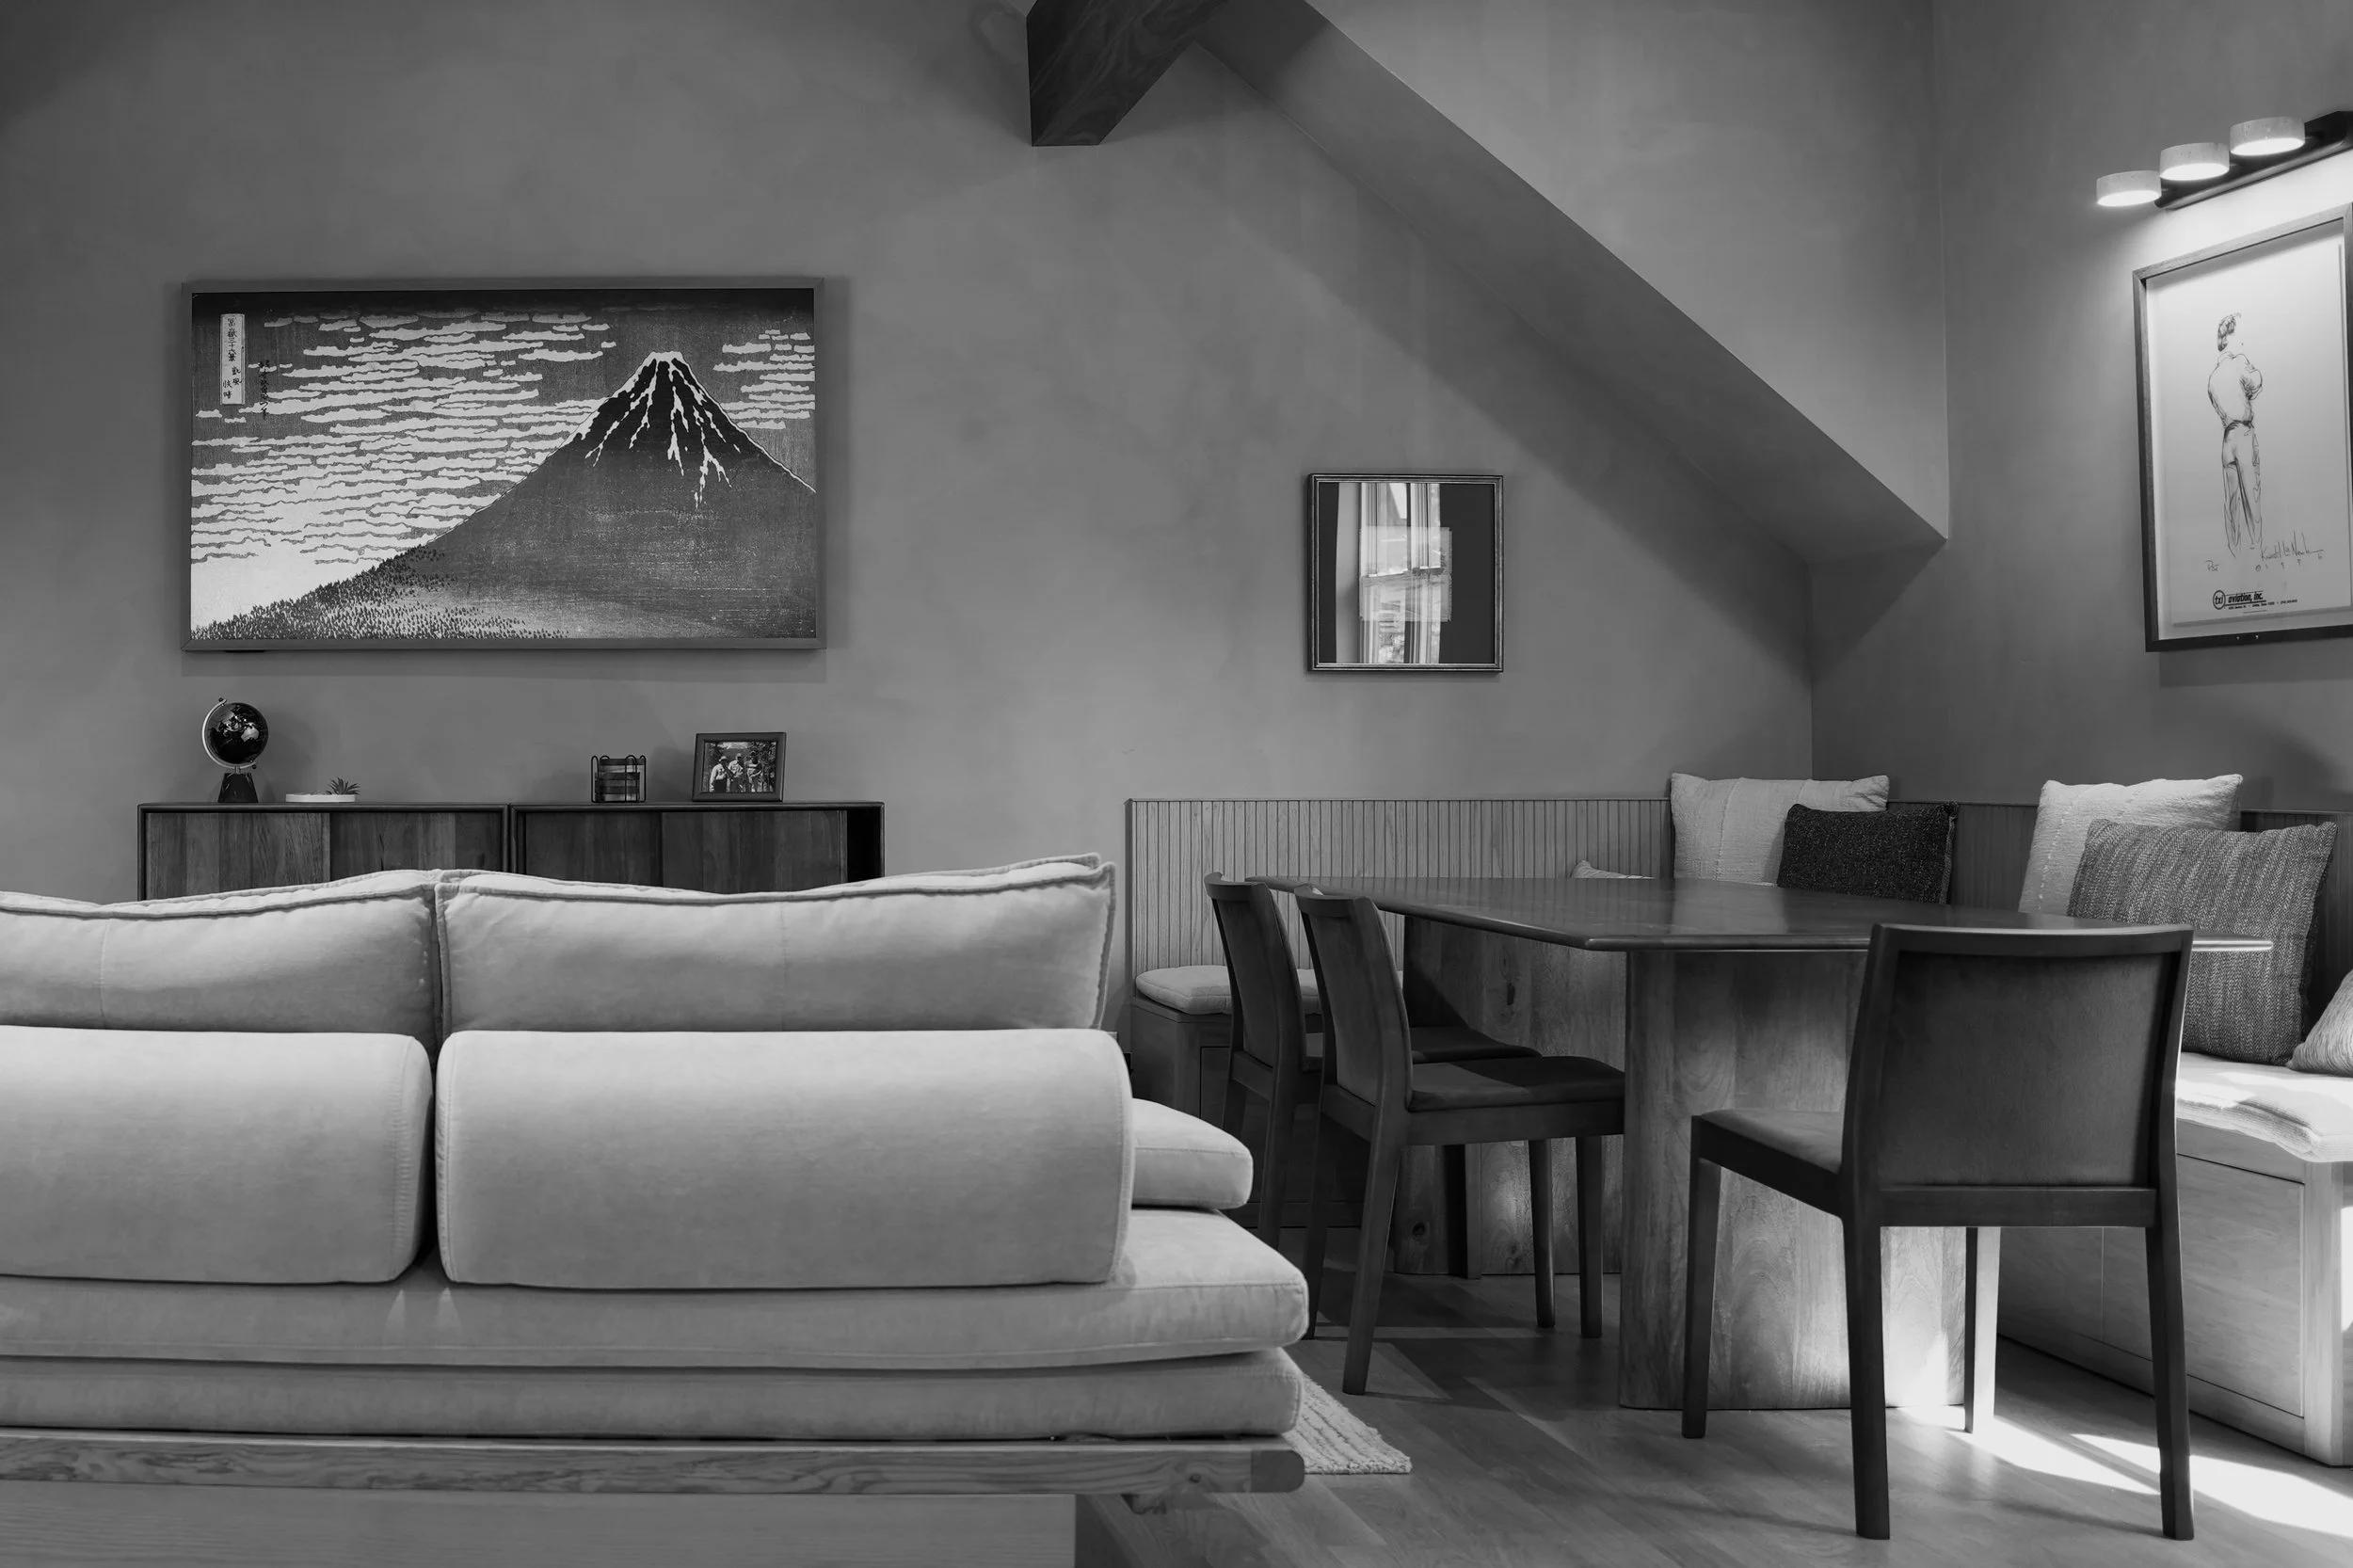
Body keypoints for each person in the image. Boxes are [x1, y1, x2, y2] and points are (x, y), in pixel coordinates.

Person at [2208, 312, 2265, 557]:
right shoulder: (2240, 362)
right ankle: (2256, 547)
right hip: (2242, 433)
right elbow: (2256, 382)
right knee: (2251, 493)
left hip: (2226, 438)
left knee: (2231, 500)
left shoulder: (2212, 377)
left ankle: (2235, 551)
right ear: (2231, 338)